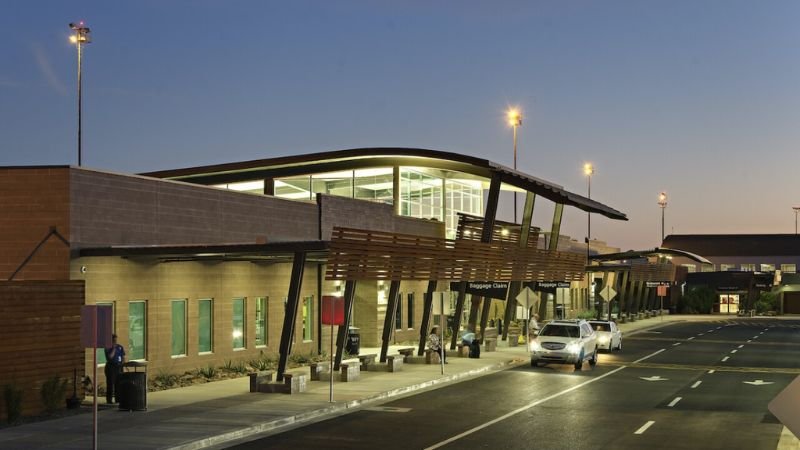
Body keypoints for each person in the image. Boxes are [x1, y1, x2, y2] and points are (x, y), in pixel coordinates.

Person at [104, 334, 126, 404]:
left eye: (115, 340)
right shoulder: (108, 347)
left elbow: (123, 356)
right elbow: (110, 357)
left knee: (118, 384)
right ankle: (109, 400)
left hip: (118, 367)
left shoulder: (120, 347)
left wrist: (123, 364)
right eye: (113, 340)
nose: (115, 341)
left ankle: (118, 399)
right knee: (110, 384)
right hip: (111, 367)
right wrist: (113, 348)